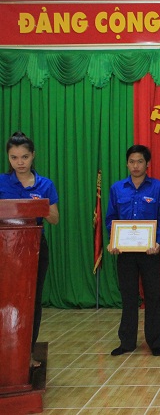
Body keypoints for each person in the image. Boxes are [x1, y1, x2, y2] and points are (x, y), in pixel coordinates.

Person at [0, 131, 59, 367]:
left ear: (33, 155)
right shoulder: (2, 182)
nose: (20, 162)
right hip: (5, 249)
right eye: (14, 157)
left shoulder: (45, 184)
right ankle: (6, 354)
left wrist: (39, 207)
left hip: (34, 249)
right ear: (8, 158)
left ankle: (27, 353)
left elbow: (54, 219)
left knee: (31, 301)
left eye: (24, 157)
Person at [106, 145, 160, 357]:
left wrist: (157, 241)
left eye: (140, 161)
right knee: (128, 297)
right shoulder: (117, 188)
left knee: (153, 297)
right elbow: (110, 219)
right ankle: (127, 342)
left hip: (150, 252)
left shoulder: (158, 188)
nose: (135, 165)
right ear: (127, 163)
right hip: (125, 253)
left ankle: (155, 342)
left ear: (147, 164)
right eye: (132, 161)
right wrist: (113, 240)